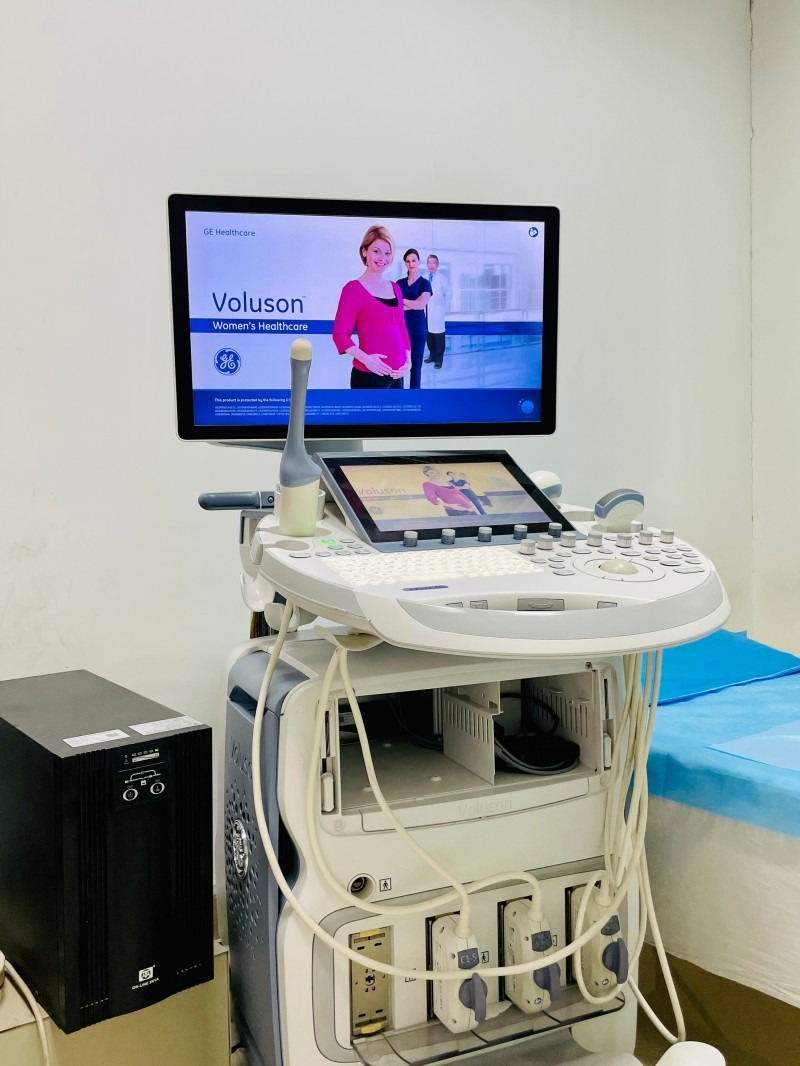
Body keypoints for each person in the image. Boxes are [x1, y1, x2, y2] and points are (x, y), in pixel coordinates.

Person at [332, 225, 412, 389]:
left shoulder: (396, 288)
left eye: (388, 253)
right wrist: (367, 360)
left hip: (397, 375)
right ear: (364, 251)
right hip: (368, 376)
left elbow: (402, 328)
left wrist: (408, 361)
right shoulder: (353, 290)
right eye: (376, 251)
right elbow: (340, 335)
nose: (382, 258)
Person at [396, 249, 432, 389]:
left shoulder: (425, 283)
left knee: (416, 366)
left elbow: (421, 305)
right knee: (399, 364)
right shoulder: (399, 283)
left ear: (419, 262)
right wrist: (414, 303)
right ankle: (399, 395)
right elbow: (395, 307)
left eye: (413, 261)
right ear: (405, 263)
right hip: (399, 330)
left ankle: (414, 396)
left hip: (418, 330)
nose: (411, 264)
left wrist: (403, 300)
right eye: (408, 261)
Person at [423, 254, 451, 369]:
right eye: (429, 262)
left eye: (433, 263)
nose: (431, 265)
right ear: (427, 264)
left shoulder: (442, 279)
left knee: (439, 336)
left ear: (437, 265)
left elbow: (448, 295)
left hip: (438, 311)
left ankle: (439, 360)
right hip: (427, 312)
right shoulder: (423, 278)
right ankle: (432, 356)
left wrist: (443, 309)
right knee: (429, 336)